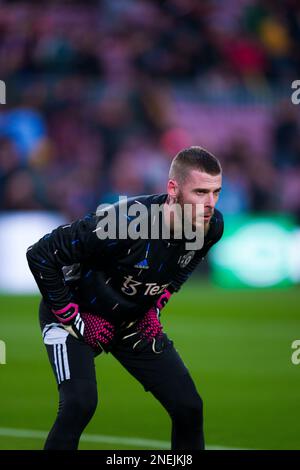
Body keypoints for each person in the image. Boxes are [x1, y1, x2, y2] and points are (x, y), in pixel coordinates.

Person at [26, 146, 224, 450]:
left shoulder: (210, 228)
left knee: (189, 408)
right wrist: (75, 319)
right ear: (173, 189)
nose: (210, 204)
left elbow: (182, 268)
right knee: (79, 405)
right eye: (200, 192)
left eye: (216, 192)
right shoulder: (125, 222)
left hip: (132, 321)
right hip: (75, 316)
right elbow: (40, 255)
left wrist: (155, 308)